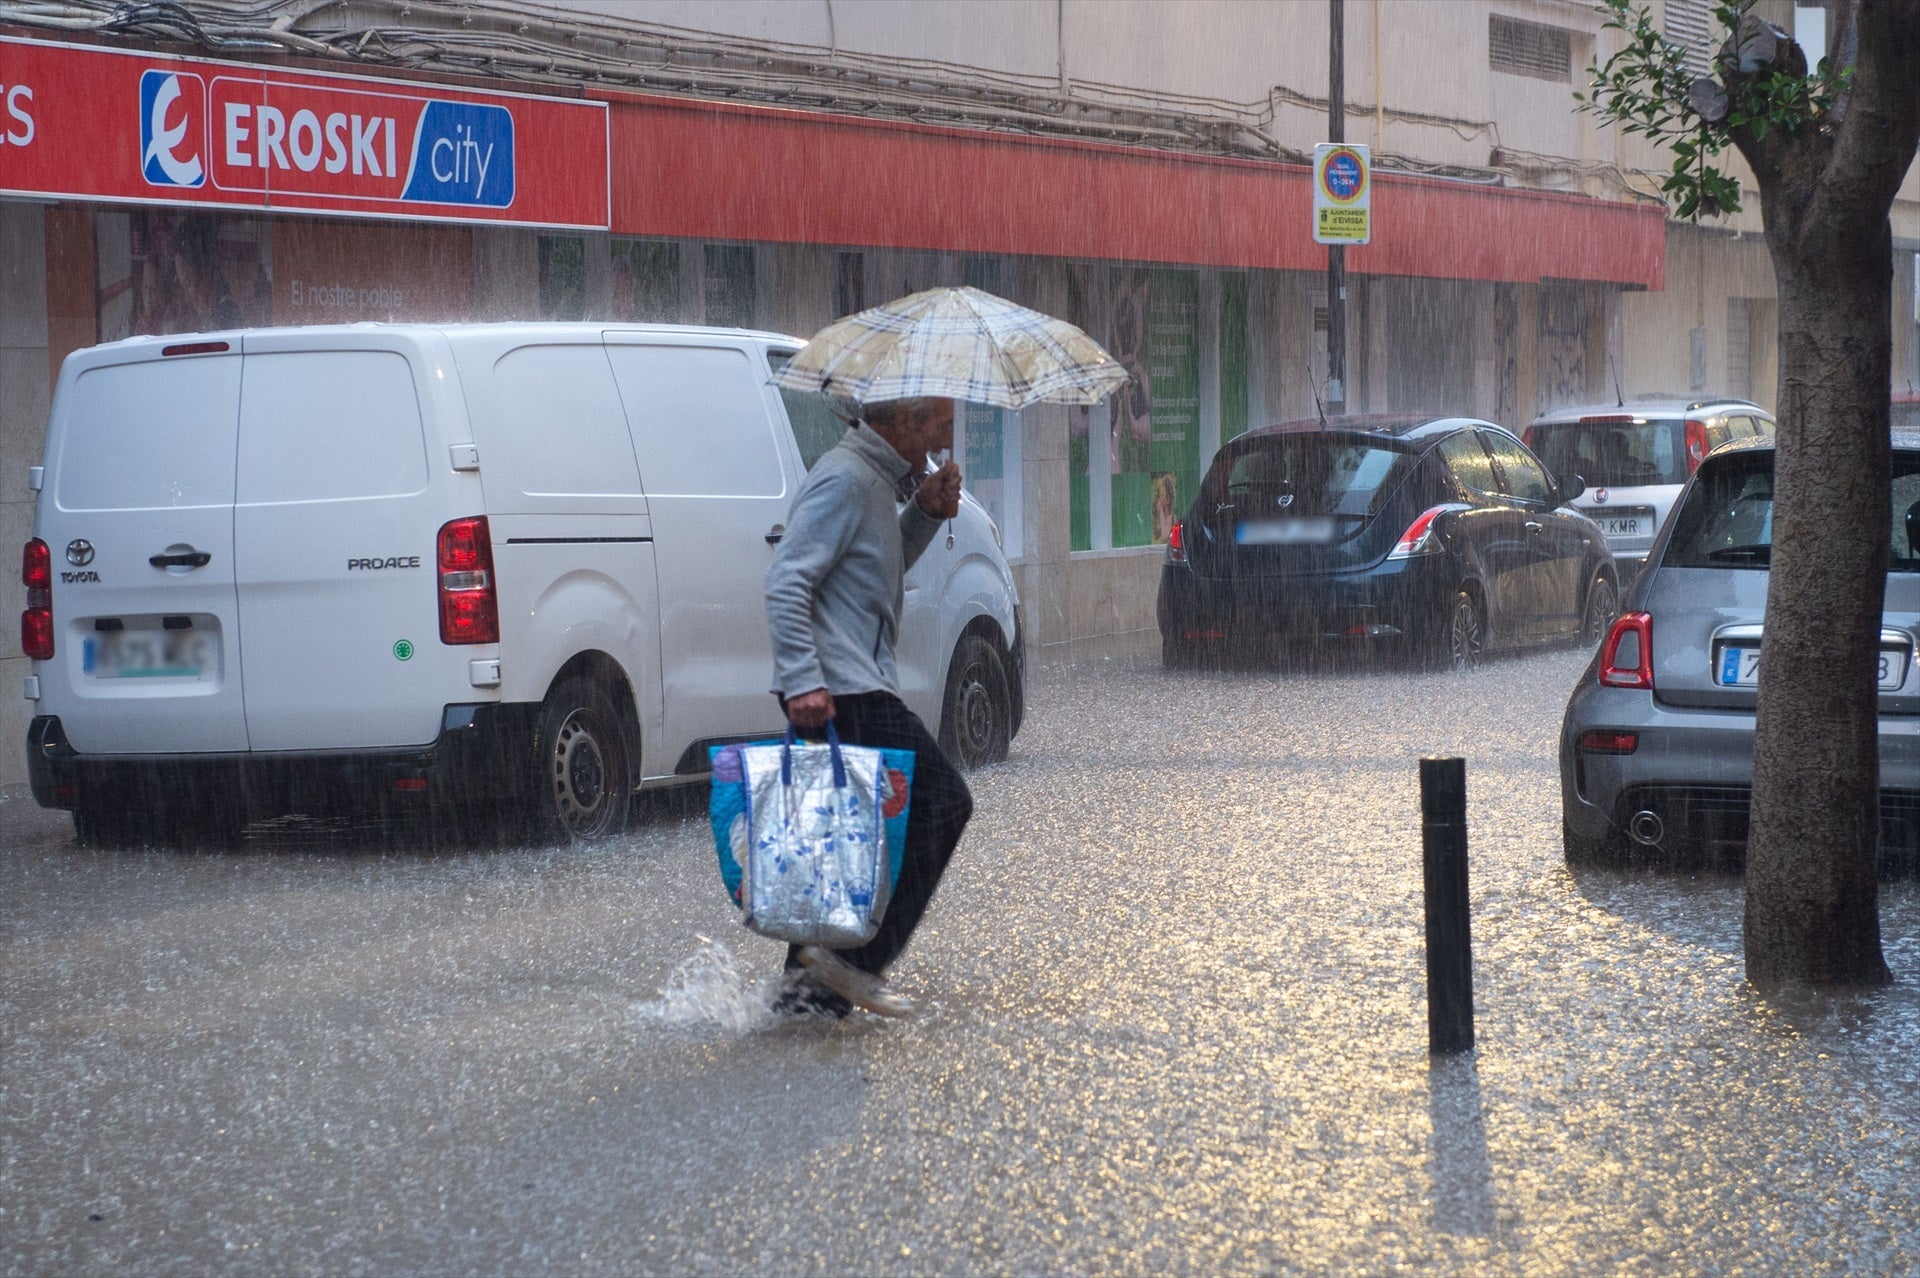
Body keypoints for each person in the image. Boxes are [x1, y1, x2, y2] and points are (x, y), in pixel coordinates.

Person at [763, 396, 973, 1018]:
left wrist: (925, 514)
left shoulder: (876, 482)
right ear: (900, 421)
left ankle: (802, 1011)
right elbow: (786, 579)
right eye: (938, 425)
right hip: (841, 690)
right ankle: (855, 963)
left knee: (842, 846)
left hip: (853, 682)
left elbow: (873, 570)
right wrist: (803, 680)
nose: (943, 441)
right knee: (941, 803)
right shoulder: (846, 478)